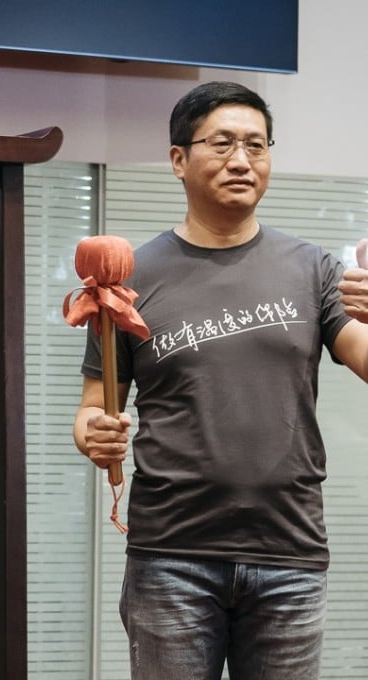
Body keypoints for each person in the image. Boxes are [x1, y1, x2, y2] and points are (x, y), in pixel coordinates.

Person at [73, 80, 368, 680]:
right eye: (224, 143)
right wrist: (93, 435)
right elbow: (92, 409)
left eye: (257, 146)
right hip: (171, 557)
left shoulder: (314, 269)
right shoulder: (130, 278)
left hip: (290, 554)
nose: (242, 159)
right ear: (178, 159)